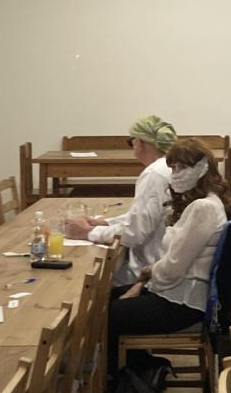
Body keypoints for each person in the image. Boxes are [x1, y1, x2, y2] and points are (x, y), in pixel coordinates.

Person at [105, 138, 231, 373]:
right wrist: (143, 282)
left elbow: (173, 268)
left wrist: (145, 279)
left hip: (184, 303)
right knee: (107, 297)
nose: (176, 174)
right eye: (173, 168)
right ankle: (138, 367)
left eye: (182, 167)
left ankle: (125, 378)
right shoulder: (202, 203)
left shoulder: (203, 208)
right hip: (177, 291)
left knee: (108, 314)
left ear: (202, 169)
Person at [68, 115, 175, 288]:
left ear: (139, 143)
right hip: (163, 262)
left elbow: (134, 233)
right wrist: (104, 223)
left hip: (149, 272)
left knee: (82, 280)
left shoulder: (154, 174)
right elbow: (143, 217)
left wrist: (89, 232)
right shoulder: (168, 166)